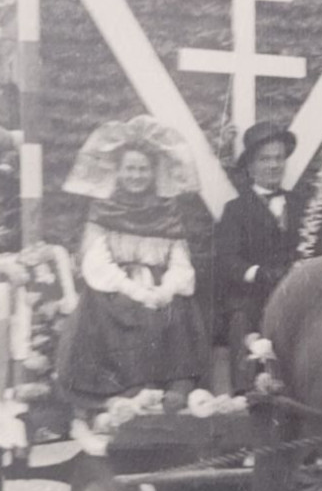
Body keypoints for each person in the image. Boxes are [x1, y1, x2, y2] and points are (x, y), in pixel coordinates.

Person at [55, 118, 209, 411]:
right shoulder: (105, 207)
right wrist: (132, 290)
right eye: (130, 169)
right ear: (118, 171)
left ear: (153, 173)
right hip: (117, 286)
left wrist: (166, 289)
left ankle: (177, 384)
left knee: (177, 307)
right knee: (119, 309)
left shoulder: (167, 209)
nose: (136, 175)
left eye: (143, 169)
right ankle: (131, 387)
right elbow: (97, 261)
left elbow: (179, 260)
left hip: (157, 284)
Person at [215, 120, 308, 390]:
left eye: (279, 158)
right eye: (265, 159)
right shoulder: (235, 210)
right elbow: (227, 260)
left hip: (298, 296)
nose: (273, 165)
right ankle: (249, 394)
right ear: (251, 166)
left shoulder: (302, 204)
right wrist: (259, 273)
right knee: (243, 322)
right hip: (252, 298)